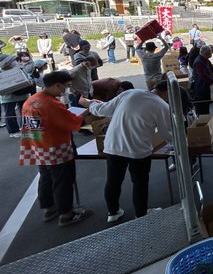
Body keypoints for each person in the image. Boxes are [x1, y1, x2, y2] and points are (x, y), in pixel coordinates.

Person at [89, 81, 173, 222]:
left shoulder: (129, 93)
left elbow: (102, 109)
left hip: (113, 145)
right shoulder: (162, 106)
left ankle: (113, 212)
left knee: (113, 180)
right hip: (138, 150)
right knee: (140, 183)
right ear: (167, 92)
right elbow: (166, 134)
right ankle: (141, 215)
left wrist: (91, 104)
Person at [20, 71, 93, 226]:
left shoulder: (30, 101)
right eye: (66, 86)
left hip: (38, 147)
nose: (66, 90)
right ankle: (66, 214)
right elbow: (73, 123)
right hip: (56, 148)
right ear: (57, 85)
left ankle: (49, 208)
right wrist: (88, 109)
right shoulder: (52, 104)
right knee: (63, 181)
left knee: (46, 179)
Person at [1, 55, 33, 138]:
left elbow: (28, 77)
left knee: (25, 111)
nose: (14, 62)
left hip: (22, 94)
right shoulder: (1, 72)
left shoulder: (19, 68)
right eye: (11, 61)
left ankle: (25, 127)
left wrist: (30, 82)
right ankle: (13, 131)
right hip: (8, 97)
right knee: (10, 113)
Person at [191, 46, 213, 115]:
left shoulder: (205, 59)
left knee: (206, 102)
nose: (211, 54)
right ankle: (202, 118)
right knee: (202, 104)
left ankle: (206, 117)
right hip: (200, 87)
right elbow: (202, 75)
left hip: (205, 85)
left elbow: (212, 69)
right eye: (210, 53)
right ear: (206, 53)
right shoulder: (199, 62)